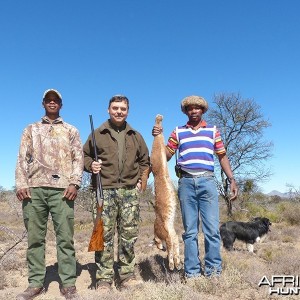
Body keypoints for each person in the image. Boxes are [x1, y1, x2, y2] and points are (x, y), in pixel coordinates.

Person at [152, 95, 238, 279]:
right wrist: (158, 136)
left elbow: (222, 156)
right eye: (190, 108)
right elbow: (165, 156)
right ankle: (191, 273)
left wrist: (232, 179)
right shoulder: (178, 132)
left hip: (207, 181)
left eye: (197, 108)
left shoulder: (213, 131)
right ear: (186, 111)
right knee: (190, 231)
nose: (194, 111)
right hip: (186, 183)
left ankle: (214, 271)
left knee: (212, 230)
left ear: (203, 110)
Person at [15, 89, 84, 300]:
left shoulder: (71, 130)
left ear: (61, 105)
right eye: (49, 100)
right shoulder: (31, 129)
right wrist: (20, 183)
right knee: (35, 239)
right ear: (43, 103)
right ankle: (35, 283)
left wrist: (74, 183)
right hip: (34, 189)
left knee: (65, 239)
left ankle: (68, 284)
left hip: (63, 191)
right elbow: (21, 157)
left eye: (56, 101)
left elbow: (78, 159)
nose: (52, 103)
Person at [83, 95, 150, 291]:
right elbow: (83, 156)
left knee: (128, 235)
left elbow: (145, 162)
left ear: (127, 111)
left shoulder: (136, 135)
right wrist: (90, 165)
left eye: (122, 108)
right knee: (103, 235)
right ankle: (103, 278)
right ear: (108, 110)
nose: (119, 111)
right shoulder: (98, 133)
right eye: (115, 108)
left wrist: (141, 182)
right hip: (105, 191)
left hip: (129, 192)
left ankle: (126, 276)